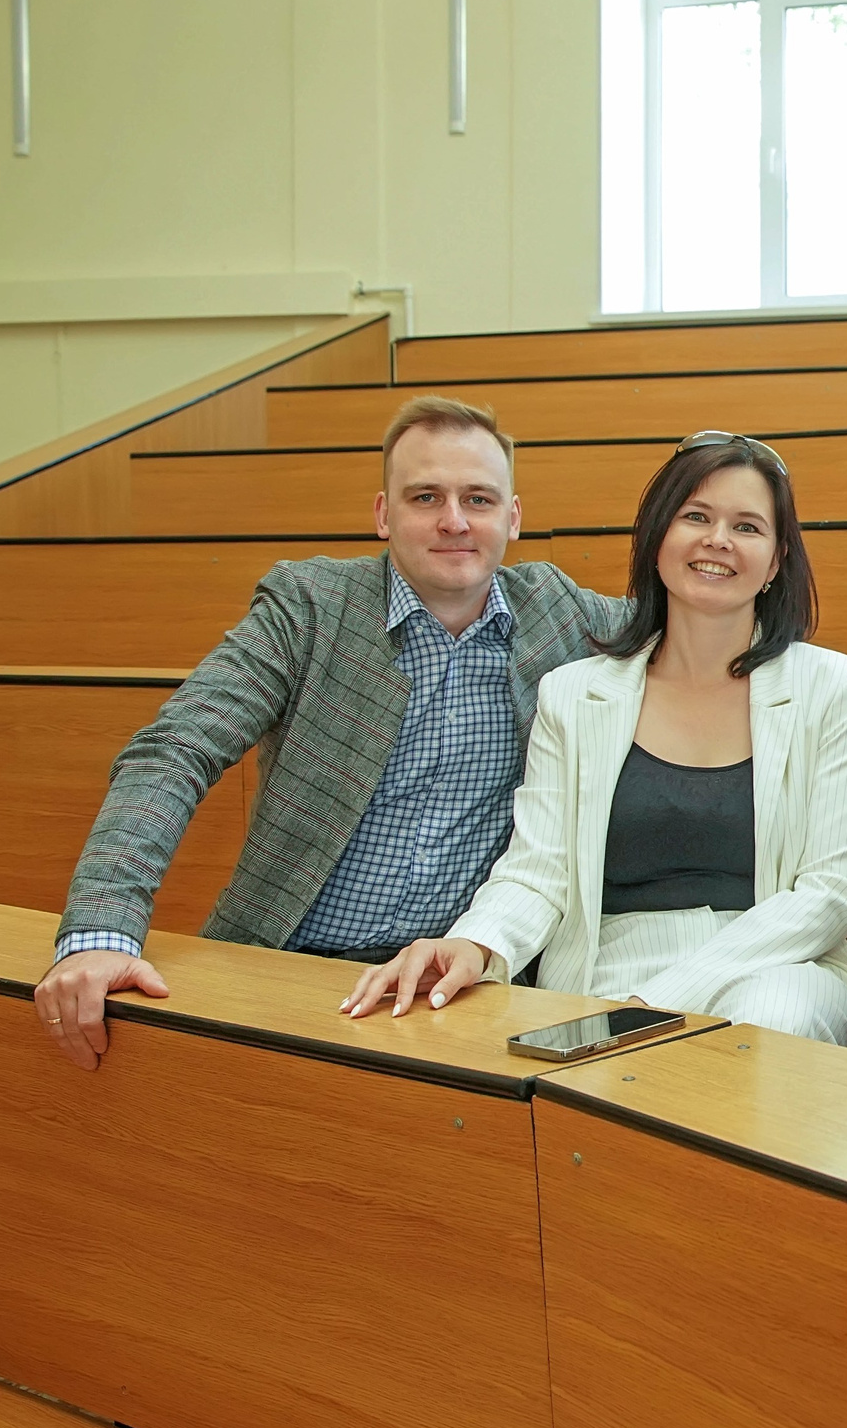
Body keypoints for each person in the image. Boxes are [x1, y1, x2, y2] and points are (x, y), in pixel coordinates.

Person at [36, 397, 628, 1071]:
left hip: (457, 987)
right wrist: (101, 930)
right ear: (383, 514)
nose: (454, 520)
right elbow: (176, 750)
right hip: (287, 965)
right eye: (425, 497)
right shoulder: (309, 606)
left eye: (479, 499)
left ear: (513, 518)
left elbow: (691, 620)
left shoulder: (555, 610)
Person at [339, 432, 847, 1048]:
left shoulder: (837, 689)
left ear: (777, 559)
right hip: (604, 968)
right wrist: (475, 942)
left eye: (747, 527)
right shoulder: (573, 694)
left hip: (779, 963)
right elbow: (538, 870)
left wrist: (659, 1001)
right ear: (657, 536)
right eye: (696, 517)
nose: (718, 540)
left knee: (768, 1017)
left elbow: (830, 894)